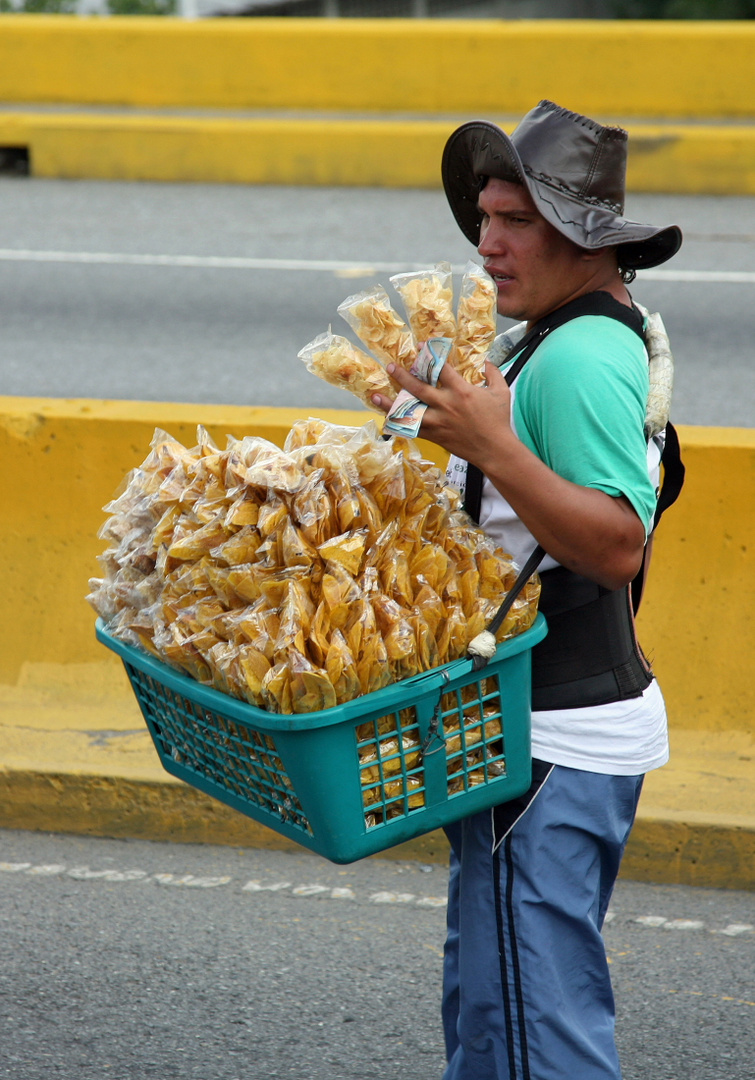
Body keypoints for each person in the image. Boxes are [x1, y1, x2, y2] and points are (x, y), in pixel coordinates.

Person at [370, 99, 683, 1080]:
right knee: (494, 1011)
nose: (487, 243)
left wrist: (492, 446)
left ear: (583, 238)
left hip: (551, 741)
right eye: (484, 217)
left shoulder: (583, 354)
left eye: (516, 222)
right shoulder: (558, 330)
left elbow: (614, 543)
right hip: (529, 732)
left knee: (537, 1037)